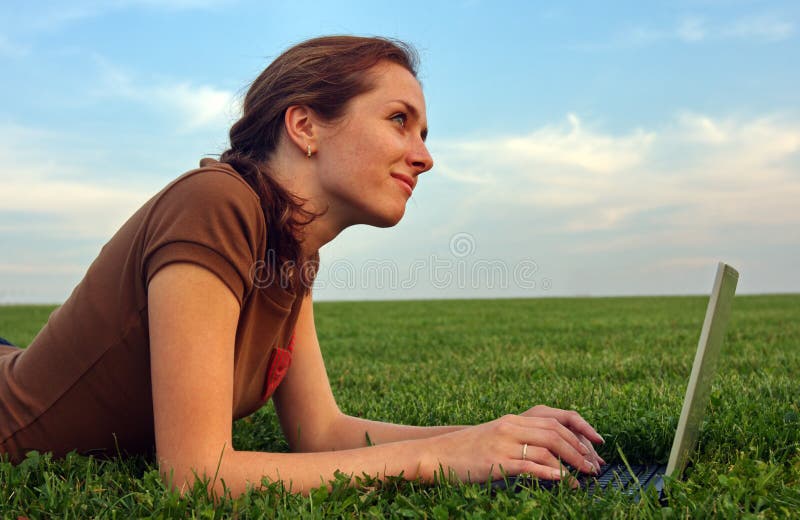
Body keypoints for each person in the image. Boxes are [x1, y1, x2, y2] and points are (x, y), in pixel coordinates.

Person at [0, 35, 604, 497]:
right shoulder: (216, 204)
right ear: (305, 125)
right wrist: (443, 458)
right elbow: (197, 476)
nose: (424, 157)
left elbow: (319, 433)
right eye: (400, 120)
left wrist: (493, 437)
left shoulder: (292, 251)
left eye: (423, 132)